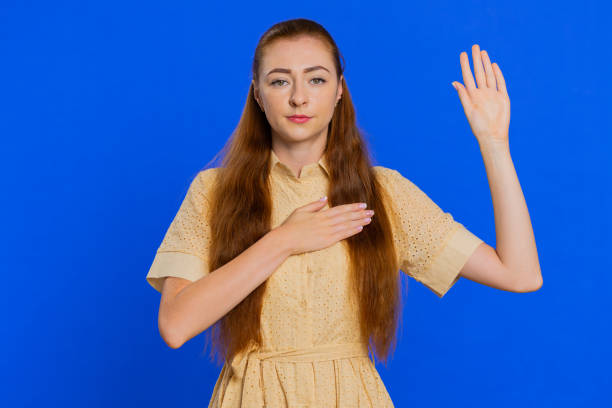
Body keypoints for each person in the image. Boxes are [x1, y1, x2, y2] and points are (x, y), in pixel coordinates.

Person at [145, 18, 542, 408]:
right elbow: (176, 325)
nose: (299, 97)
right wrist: (283, 240)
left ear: (339, 90)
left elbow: (520, 274)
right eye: (280, 80)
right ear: (257, 93)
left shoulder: (381, 193)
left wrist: (494, 144)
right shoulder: (213, 192)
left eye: (316, 79)